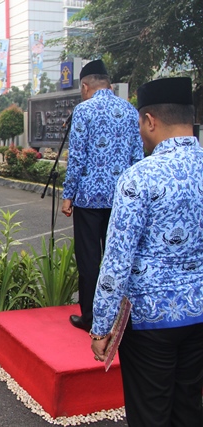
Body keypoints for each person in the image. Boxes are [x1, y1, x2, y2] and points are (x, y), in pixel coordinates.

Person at [90, 77, 203, 427]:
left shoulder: (139, 177)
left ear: (150, 120)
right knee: (189, 408)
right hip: (199, 311)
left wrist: (101, 325)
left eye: (141, 123)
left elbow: (117, 259)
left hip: (150, 320)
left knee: (150, 413)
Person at [61, 59, 144, 332]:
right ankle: (119, 317)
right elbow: (137, 158)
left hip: (88, 198)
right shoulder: (131, 111)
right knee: (118, 256)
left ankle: (91, 318)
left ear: (85, 86)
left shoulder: (83, 111)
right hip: (122, 200)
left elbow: (77, 158)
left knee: (89, 259)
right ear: (108, 83)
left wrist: (68, 195)